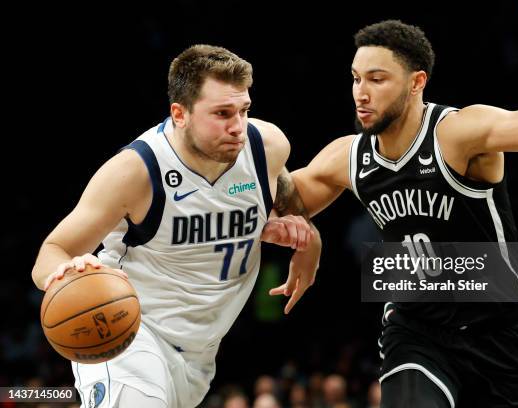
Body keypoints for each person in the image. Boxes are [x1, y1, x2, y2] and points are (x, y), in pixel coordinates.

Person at [287, 20, 518, 407]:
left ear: (416, 82)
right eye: (355, 79)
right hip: (416, 330)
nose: (361, 93)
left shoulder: (456, 133)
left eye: (377, 79)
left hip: (499, 332)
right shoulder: (348, 156)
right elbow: (283, 203)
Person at [31, 44, 321, 408]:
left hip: (200, 353)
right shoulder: (135, 172)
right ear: (179, 114)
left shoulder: (267, 146)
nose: (238, 127)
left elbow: (290, 205)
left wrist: (307, 240)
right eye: (222, 113)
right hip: (129, 331)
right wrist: (65, 273)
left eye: (244, 110)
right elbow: (51, 252)